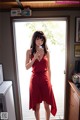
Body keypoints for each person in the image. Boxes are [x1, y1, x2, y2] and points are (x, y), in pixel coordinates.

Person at [25, 31, 57, 120]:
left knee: (47, 106)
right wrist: (34, 58)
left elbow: (49, 68)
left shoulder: (47, 52)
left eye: (41, 40)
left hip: (45, 80)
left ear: (43, 41)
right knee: (37, 107)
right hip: (34, 80)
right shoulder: (29, 51)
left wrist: (50, 82)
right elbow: (27, 67)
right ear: (34, 39)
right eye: (38, 39)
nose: (39, 41)